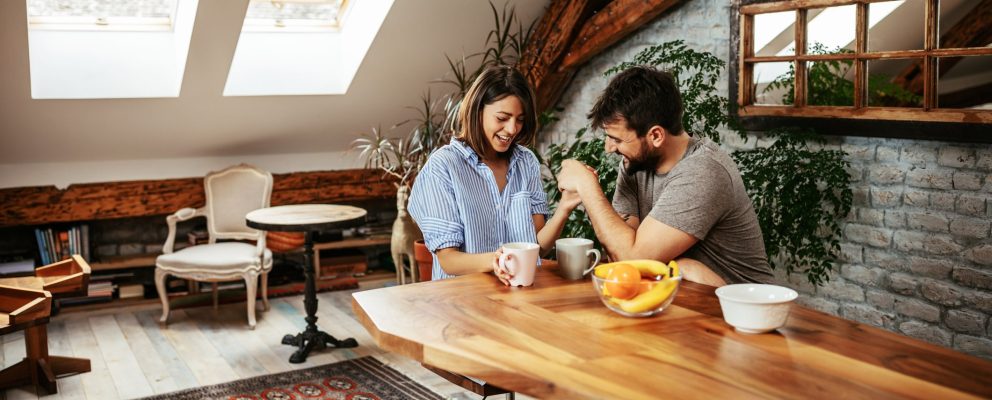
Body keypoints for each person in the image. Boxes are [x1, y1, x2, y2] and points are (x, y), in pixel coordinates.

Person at [555, 66, 772, 286]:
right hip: (680, 300)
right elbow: (617, 252)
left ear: (656, 135)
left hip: (746, 310)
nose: (608, 148)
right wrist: (676, 264)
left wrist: (587, 186)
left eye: (617, 140)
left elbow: (630, 259)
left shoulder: (703, 171)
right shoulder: (635, 163)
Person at [408, 65, 580, 285]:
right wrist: (495, 261)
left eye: (519, 119)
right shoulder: (443, 166)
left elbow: (535, 247)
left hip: (517, 300)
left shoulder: (526, 162)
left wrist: (565, 207)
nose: (512, 129)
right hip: (462, 303)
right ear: (477, 110)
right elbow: (448, 261)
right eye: (502, 118)